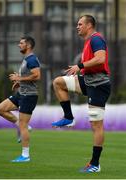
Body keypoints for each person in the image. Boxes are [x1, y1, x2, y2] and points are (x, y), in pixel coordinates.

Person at [52, 15, 111, 173]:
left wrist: (80, 65)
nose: (77, 27)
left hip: (99, 85)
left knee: (96, 125)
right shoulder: (88, 42)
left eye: (80, 24)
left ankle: (95, 164)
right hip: (88, 81)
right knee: (58, 82)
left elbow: (101, 59)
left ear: (89, 25)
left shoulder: (96, 39)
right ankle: (68, 117)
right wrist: (81, 68)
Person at [0, 36, 41, 162]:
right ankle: (22, 126)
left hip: (29, 95)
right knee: (0, 109)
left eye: (21, 43)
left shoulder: (32, 59)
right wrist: (19, 82)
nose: (18, 45)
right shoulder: (26, 59)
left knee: (23, 125)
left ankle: (25, 156)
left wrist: (19, 79)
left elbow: (37, 76)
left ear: (28, 45)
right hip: (21, 93)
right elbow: (29, 76)